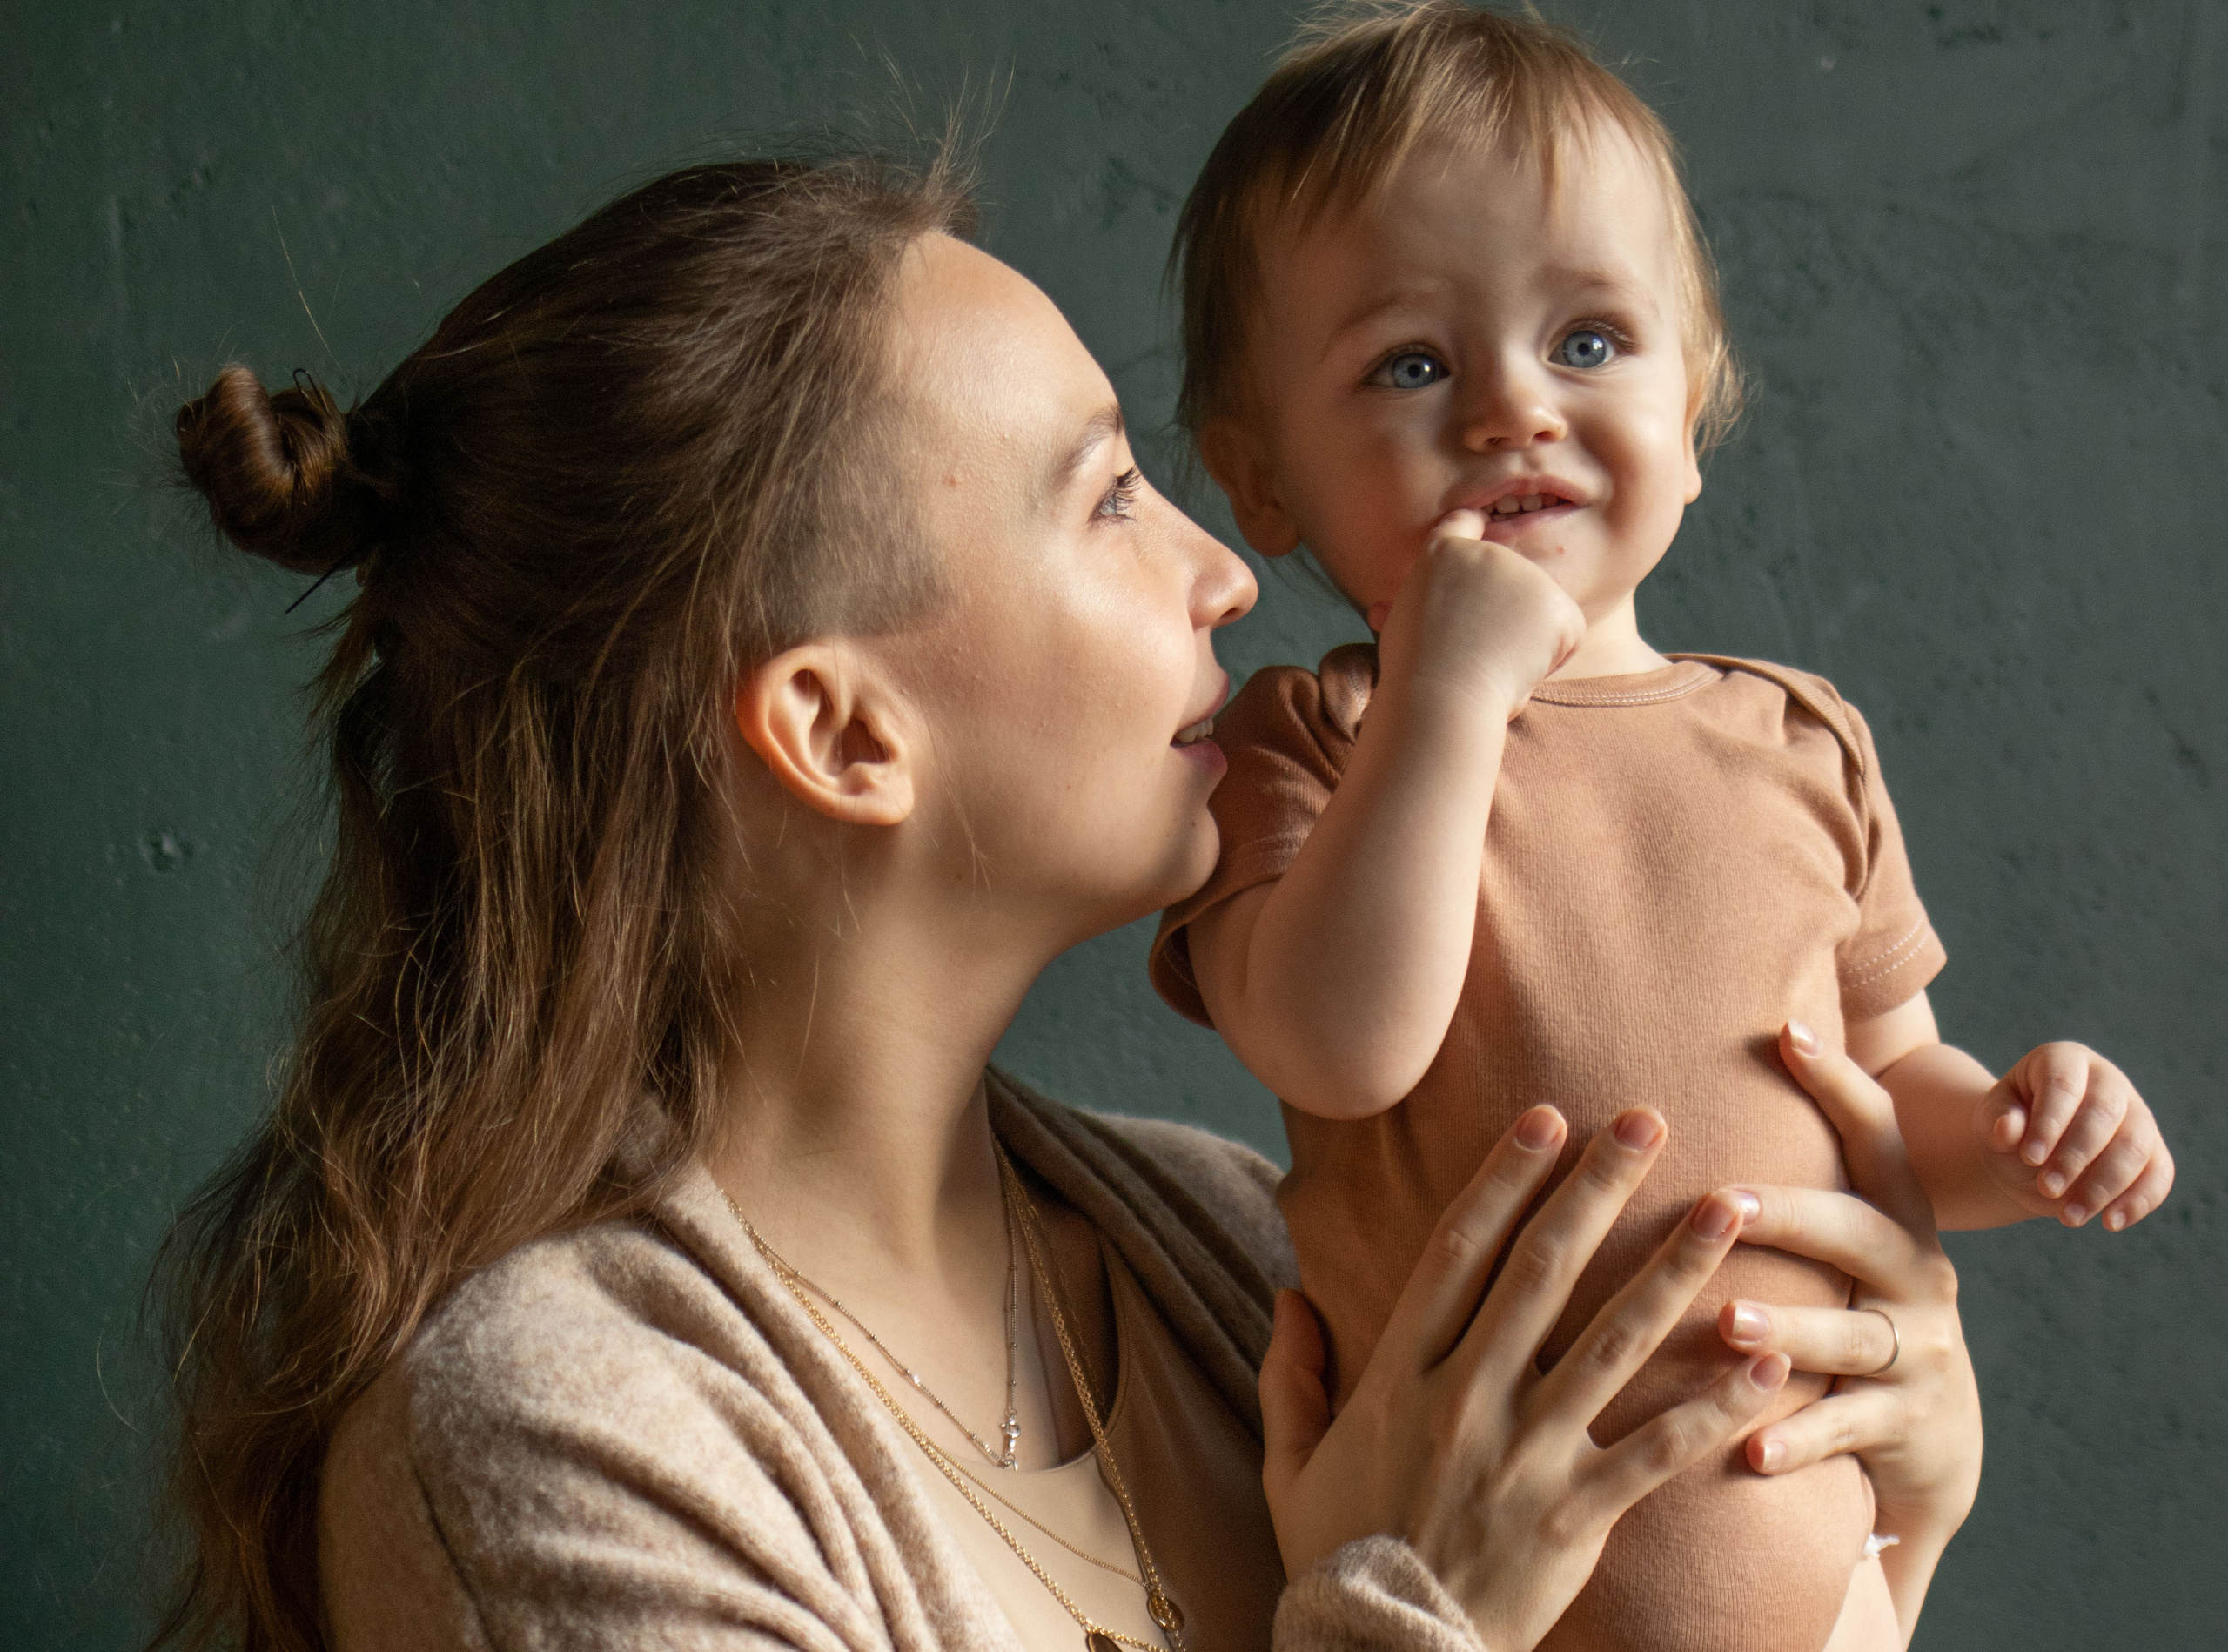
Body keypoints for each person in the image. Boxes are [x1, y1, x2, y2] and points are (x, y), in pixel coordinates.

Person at [155, 152, 1979, 1652]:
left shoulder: (1234, 1245)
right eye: (1105, 498)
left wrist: (1881, 1523)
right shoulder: (568, 1435)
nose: (1221, 578)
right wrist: (1417, 1616)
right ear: (843, 729)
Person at [1149, 6, 2173, 1652]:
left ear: (1693, 414)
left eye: (1591, 344)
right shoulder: (1312, 743)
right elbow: (1340, 1045)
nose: (1511, 412)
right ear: (1259, 480)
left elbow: (1889, 1107)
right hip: (1478, 1602)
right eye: (1413, 365)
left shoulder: (1796, 740)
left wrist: (2024, 1128)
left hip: (1831, 1581)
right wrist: (1449, 698)